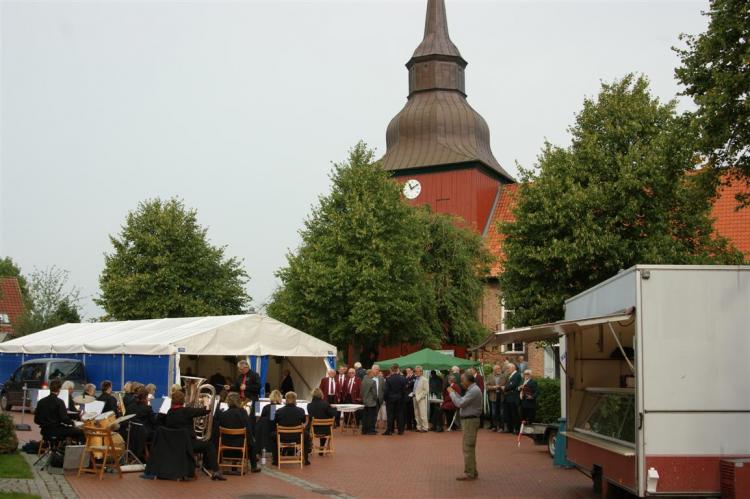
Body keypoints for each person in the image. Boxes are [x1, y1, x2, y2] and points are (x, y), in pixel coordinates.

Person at [165, 390, 226, 480]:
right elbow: (206, 411)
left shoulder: (169, 413)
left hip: (173, 444)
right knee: (209, 445)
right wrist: (205, 401)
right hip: (188, 445)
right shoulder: (187, 411)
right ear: (183, 400)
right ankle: (216, 471)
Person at [213, 392, 260, 473]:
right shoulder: (243, 412)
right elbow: (248, 430)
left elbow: (217, 431)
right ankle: (254, 466)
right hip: (241, 446)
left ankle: (219, 463)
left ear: (228, 401)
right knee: (252, 440)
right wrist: (251, 441)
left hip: (225, 447)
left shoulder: (223, 414)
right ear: (238, 401)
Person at [448, 373, 483, 481]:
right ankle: (472, 471)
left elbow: (460, 403)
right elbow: (463, 400)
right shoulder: (472, 389)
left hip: (470, 421)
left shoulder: (473, 390)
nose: (461, 383)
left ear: (468, 381)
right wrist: (454, 393)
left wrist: (452, 394)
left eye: (463, 380)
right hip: (469, 420)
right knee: (468, 447)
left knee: (468, 447)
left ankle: (470, 473)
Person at [273, 391, 310, 466]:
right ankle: (305, 459)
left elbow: (275, 422)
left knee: (272, 435)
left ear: (285, 400)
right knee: (307, 435)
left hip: (282, 437)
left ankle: (276, 460)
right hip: (297, 437)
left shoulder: (279, 411)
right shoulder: (301, 411)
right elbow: (303, 421)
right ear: (295, 400)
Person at [124, 387, 157, 461]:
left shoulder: (130, 407)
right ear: (146, 397)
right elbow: (154, 422)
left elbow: (125, 419)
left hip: (130, 433)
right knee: (157, 432)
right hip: (143, 434)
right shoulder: (147, 408)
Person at [307, 387, 336, 455]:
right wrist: (334, 409)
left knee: (307, 428)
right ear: (321, 394)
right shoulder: (326, 404)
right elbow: (333, 414)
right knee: (324, 425)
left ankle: (308, 447)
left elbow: (310, 416)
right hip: (326, 430)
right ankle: (322, 447)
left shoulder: (309, 406)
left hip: (313, 429)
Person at [256, 390, 283, 455]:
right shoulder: (282, 408)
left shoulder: (266, 407)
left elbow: (262, 419)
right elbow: (274, 420)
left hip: (265, 432)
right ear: (280, 397)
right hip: (277, 431)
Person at [383, 364, 407, 436]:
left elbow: (386, 391)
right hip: (400, 399)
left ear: (391, 370)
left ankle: (389, 430)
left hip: (390, 400)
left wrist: (385, 399)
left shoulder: (388, 379)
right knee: (400, 415)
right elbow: (404, 390)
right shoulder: (403, 378)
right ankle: (401, 430)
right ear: (397, 370)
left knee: (390, 415)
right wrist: (403, 398)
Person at [360, 366, 382, 435]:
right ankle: (370, 430)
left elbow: (361, 391)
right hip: (372, 402)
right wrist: (376, 399)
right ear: (370, 374)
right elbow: (374, 393)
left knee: (365, 417)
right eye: (372, 373)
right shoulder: (373, 382)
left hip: (365, 401)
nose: (374, 374)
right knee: (371, 417)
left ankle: (364, 430)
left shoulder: (363, 380)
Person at [503, 363, 522, 434]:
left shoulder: (517, 375)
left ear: (513, 368)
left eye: (508, 368)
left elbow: (513, 385)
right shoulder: (510, 375)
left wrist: (505, 387)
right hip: (508, 397)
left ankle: (516, 429)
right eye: (507, 368)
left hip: (513, 398)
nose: (507, 370)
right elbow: (508, 384)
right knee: (508, 414)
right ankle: (510, 428)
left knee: (514, 414)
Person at [486, 364, 506, 432]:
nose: (499, 370)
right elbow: (487, 386)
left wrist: (502, 387)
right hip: (493, 396)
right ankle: (494, 427)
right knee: (494, 413)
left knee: (501, 412)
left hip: (501, 396)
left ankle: (501, 427)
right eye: (497, 369)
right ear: (494, 370)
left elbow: (507, 385)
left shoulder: (504, 376)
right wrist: (493, 387)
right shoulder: (489, 376)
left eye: (499, 368)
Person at [411, 366, 429, 432]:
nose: (417, 372)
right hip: (414, 397)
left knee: (423, 413)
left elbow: (426, 391)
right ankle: (419, 427)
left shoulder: (424, 379)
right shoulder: (416, 379)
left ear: (421, 372)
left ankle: (425, 427)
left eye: (418, 371)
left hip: (421, 399)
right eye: (416, 371)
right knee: (416, 414)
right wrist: (413, 393)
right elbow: (415, 389)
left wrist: (419, 396)